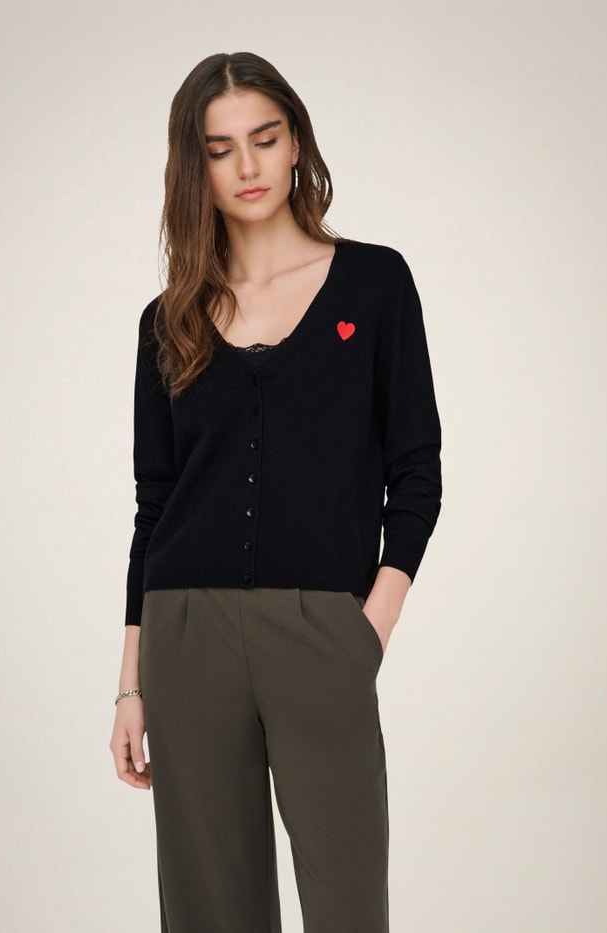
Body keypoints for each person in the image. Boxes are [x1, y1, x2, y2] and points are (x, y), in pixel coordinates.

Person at [109, 51, 442, 933]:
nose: (247, 166)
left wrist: (369, 624)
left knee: (347, 904)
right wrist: (131, 685)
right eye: (220, 149)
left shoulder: (376, 283)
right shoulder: (168, 319)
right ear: (196, 167)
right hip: (186, 632)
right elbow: (154, 504)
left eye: (264, 138)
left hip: (323, 629)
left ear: (296, 142)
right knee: (209, 911)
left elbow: (417, 468)